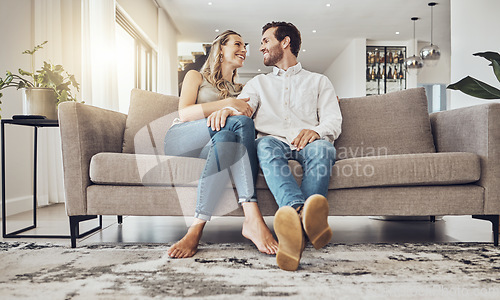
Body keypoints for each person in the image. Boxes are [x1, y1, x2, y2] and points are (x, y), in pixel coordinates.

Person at [206, 22, 342, 271]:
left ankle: (295, 232)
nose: (260, 48)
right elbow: (243, 105)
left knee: (325, 149)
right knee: (264, 145)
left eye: (266, 41)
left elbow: (333, 121)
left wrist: (317, 131)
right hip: (273, 142)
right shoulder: (258, 83)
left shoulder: (319, 81)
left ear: (285, 42)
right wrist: (225, 110)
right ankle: (302, 215)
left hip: (310, 142)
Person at [164, 30, 278, 258]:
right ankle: (252, 215)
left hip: (213, 146)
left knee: (228, 138)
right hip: (183, 137)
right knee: (238, 122)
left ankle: (196, 228)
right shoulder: (196, 77)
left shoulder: (242, 90)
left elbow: (255, 123)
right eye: (237, 44)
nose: (243, 50)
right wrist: (225, 106)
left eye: (244, 46)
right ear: (220, 48)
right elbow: (185, 114)